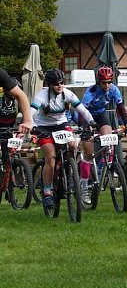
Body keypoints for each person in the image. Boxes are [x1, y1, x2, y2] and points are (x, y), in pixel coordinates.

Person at [31, 68, 95, 215]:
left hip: (61, 124)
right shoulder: (42, 96)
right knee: (51, 158)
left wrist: (91, 122)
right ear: (50, 84)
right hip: (43, 126)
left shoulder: (67, 93)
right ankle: (47, 190)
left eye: (62, 83)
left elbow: (82, 110)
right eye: (56, 84)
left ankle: (69, 168)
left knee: (73, 144)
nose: (60, 86)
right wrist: (34, 128)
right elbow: (31, 113)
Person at [79, 65, 127, 204]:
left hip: (101, 115)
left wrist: (126, 124)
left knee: (108, 139)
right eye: (104, 82)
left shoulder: (114, 89)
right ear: (98, 81)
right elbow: (81, 111)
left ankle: (104, 166)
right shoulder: (90, 92)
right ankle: (84, 187)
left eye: (109, 82)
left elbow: (120, 108)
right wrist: (86, 128)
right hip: (87, 116)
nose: (107, 85)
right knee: (88, 154)